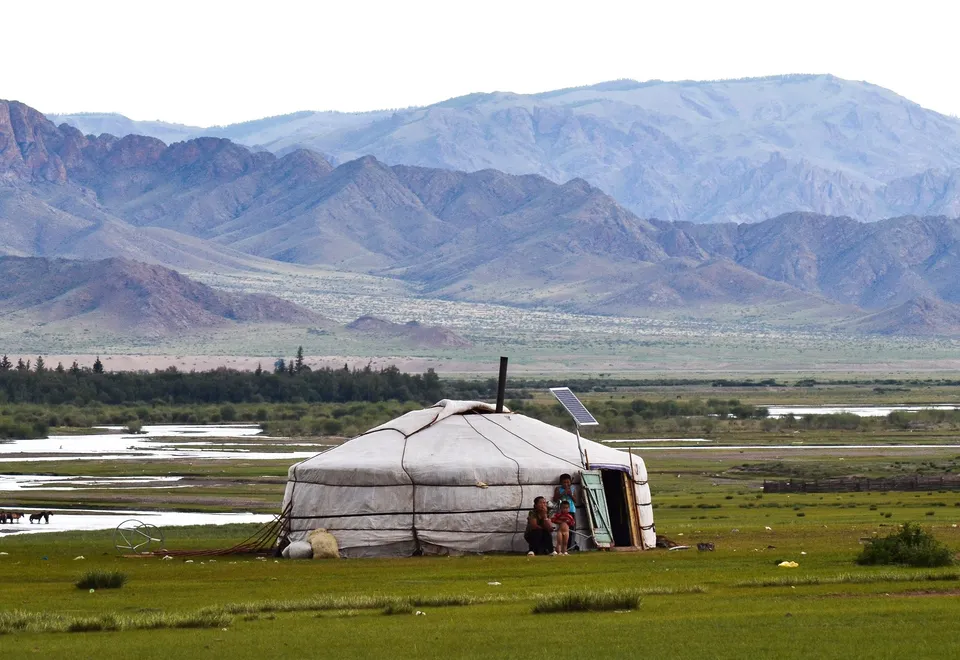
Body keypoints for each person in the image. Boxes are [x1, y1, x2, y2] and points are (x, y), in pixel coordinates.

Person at [553, 473, 580, 550]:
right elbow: (555, 499)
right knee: (562, 529)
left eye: (568, 482)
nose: (566, 484)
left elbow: (575, 500)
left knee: (571, 528)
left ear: (570, 482)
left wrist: (570, 494)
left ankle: (570, 547)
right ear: (561, 482)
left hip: (571, 510)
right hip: (561, 512)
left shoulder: (573, 489)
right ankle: (561, 546)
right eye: (564, 482)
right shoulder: (558, 489)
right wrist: (562, 494)